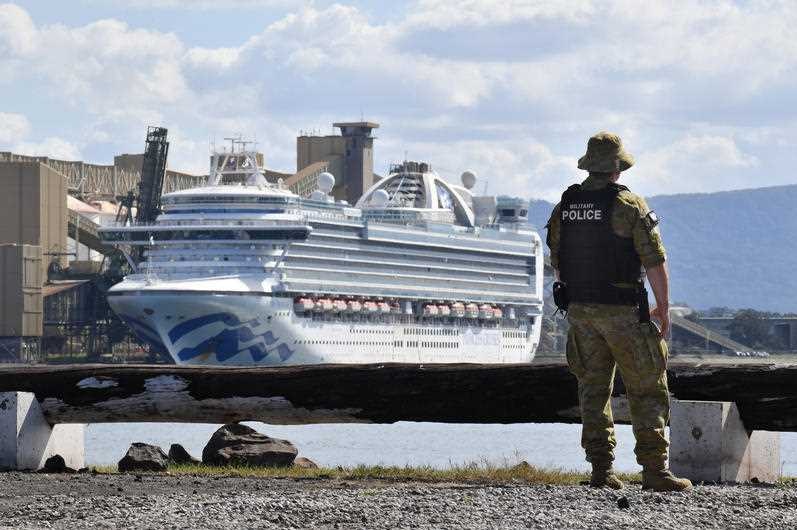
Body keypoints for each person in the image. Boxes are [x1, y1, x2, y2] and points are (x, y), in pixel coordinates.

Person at [545, 132, 692, 492]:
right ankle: (655, 471)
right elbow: (655, 261)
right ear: (617, 168)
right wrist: (663, 308)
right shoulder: (628, 205)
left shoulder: (565, 205)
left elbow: (557, 262)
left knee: (593, 390)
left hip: (580, 311)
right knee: (647, 388)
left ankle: (601, 470)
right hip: (623, 311)